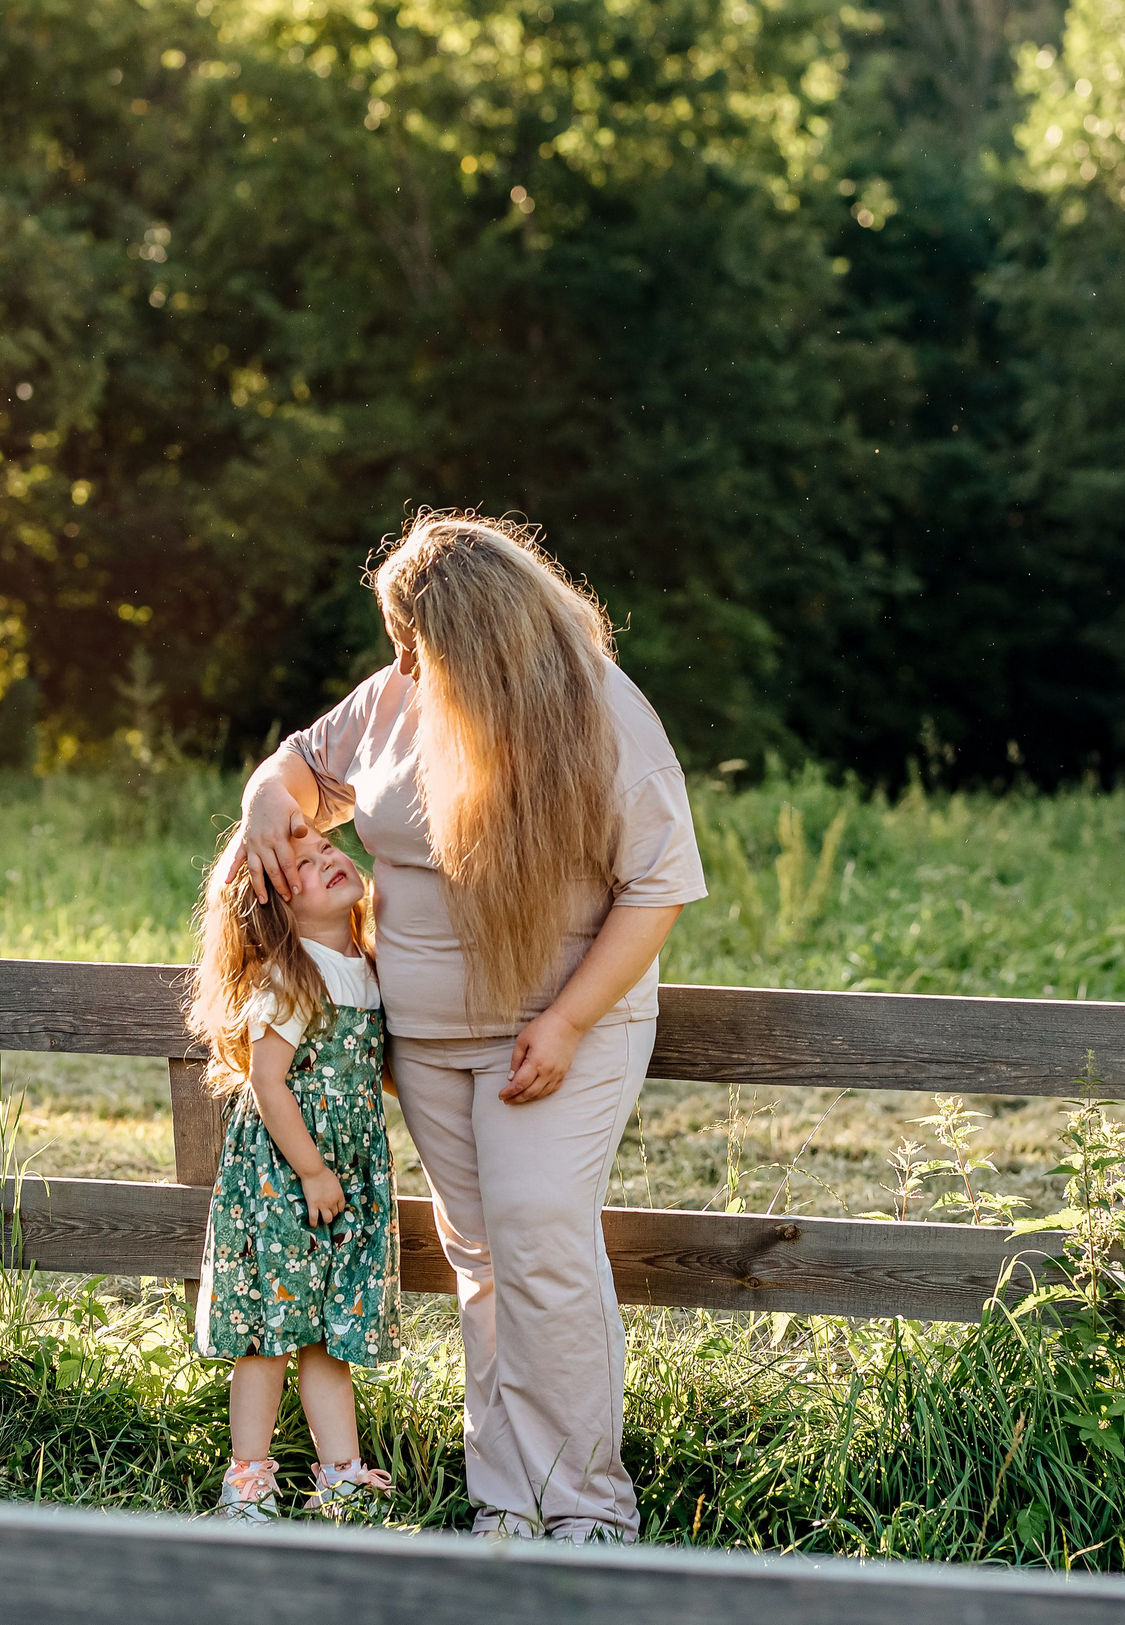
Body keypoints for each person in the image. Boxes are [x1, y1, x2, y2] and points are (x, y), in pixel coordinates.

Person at [231, 510, 705, 1543]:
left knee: (543, 1244)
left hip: (557, 1030)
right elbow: (303, 764)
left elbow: (659, 884)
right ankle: (506, 1500)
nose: (400, 661)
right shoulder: (399, 695)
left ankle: (588, 1506)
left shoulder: (603, 710)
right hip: (429, 1042)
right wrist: (267, 798)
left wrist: (569, 1020)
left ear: (479, 635)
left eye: (414, 640)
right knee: (482, 1258)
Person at [185, 824, 400, 1523]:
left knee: (329, 1328)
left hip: (347, 1173)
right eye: (303, 863)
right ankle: (247, 1481)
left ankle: (340, 1476)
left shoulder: (370, 965)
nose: (330, 857)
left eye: (328, 847)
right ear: (275, 905)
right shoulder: (293, 975)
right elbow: (268, 1082)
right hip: (284, 1174)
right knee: (270, 1331)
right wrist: (311, 1170)